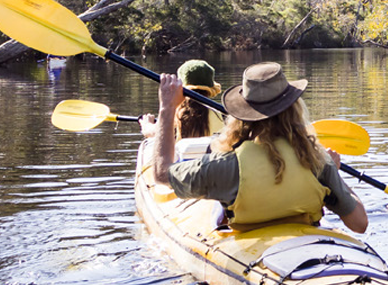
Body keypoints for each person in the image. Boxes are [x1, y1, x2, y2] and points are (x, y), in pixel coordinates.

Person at [152, 62, 368, 233]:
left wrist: (167, 108)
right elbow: (360, 224)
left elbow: (162, 175)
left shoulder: (225, 166)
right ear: (294, 109)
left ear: (242, 115)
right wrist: (335, 174)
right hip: (307, 240)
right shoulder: (317, 161)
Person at [139, 59, 224, 140]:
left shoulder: (174, 114)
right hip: (211, 154)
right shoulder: (221, 115)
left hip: (176, 155)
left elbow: (155, 133)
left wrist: (146, 124)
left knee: (148, 143)